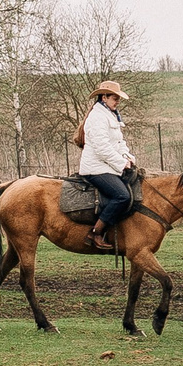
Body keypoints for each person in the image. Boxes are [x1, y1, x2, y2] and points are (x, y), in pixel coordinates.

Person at [74, 80, 138, 251]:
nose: (117, 102)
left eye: (118, 98)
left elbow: (119, 142)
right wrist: (121, 163)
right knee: (122, 196)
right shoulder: (97, 117)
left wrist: (128, 157)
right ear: (104, 97)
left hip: (107, 166)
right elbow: (102, 148)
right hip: (95, 168)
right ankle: (95, 232)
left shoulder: (111, 115)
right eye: (114, 98)